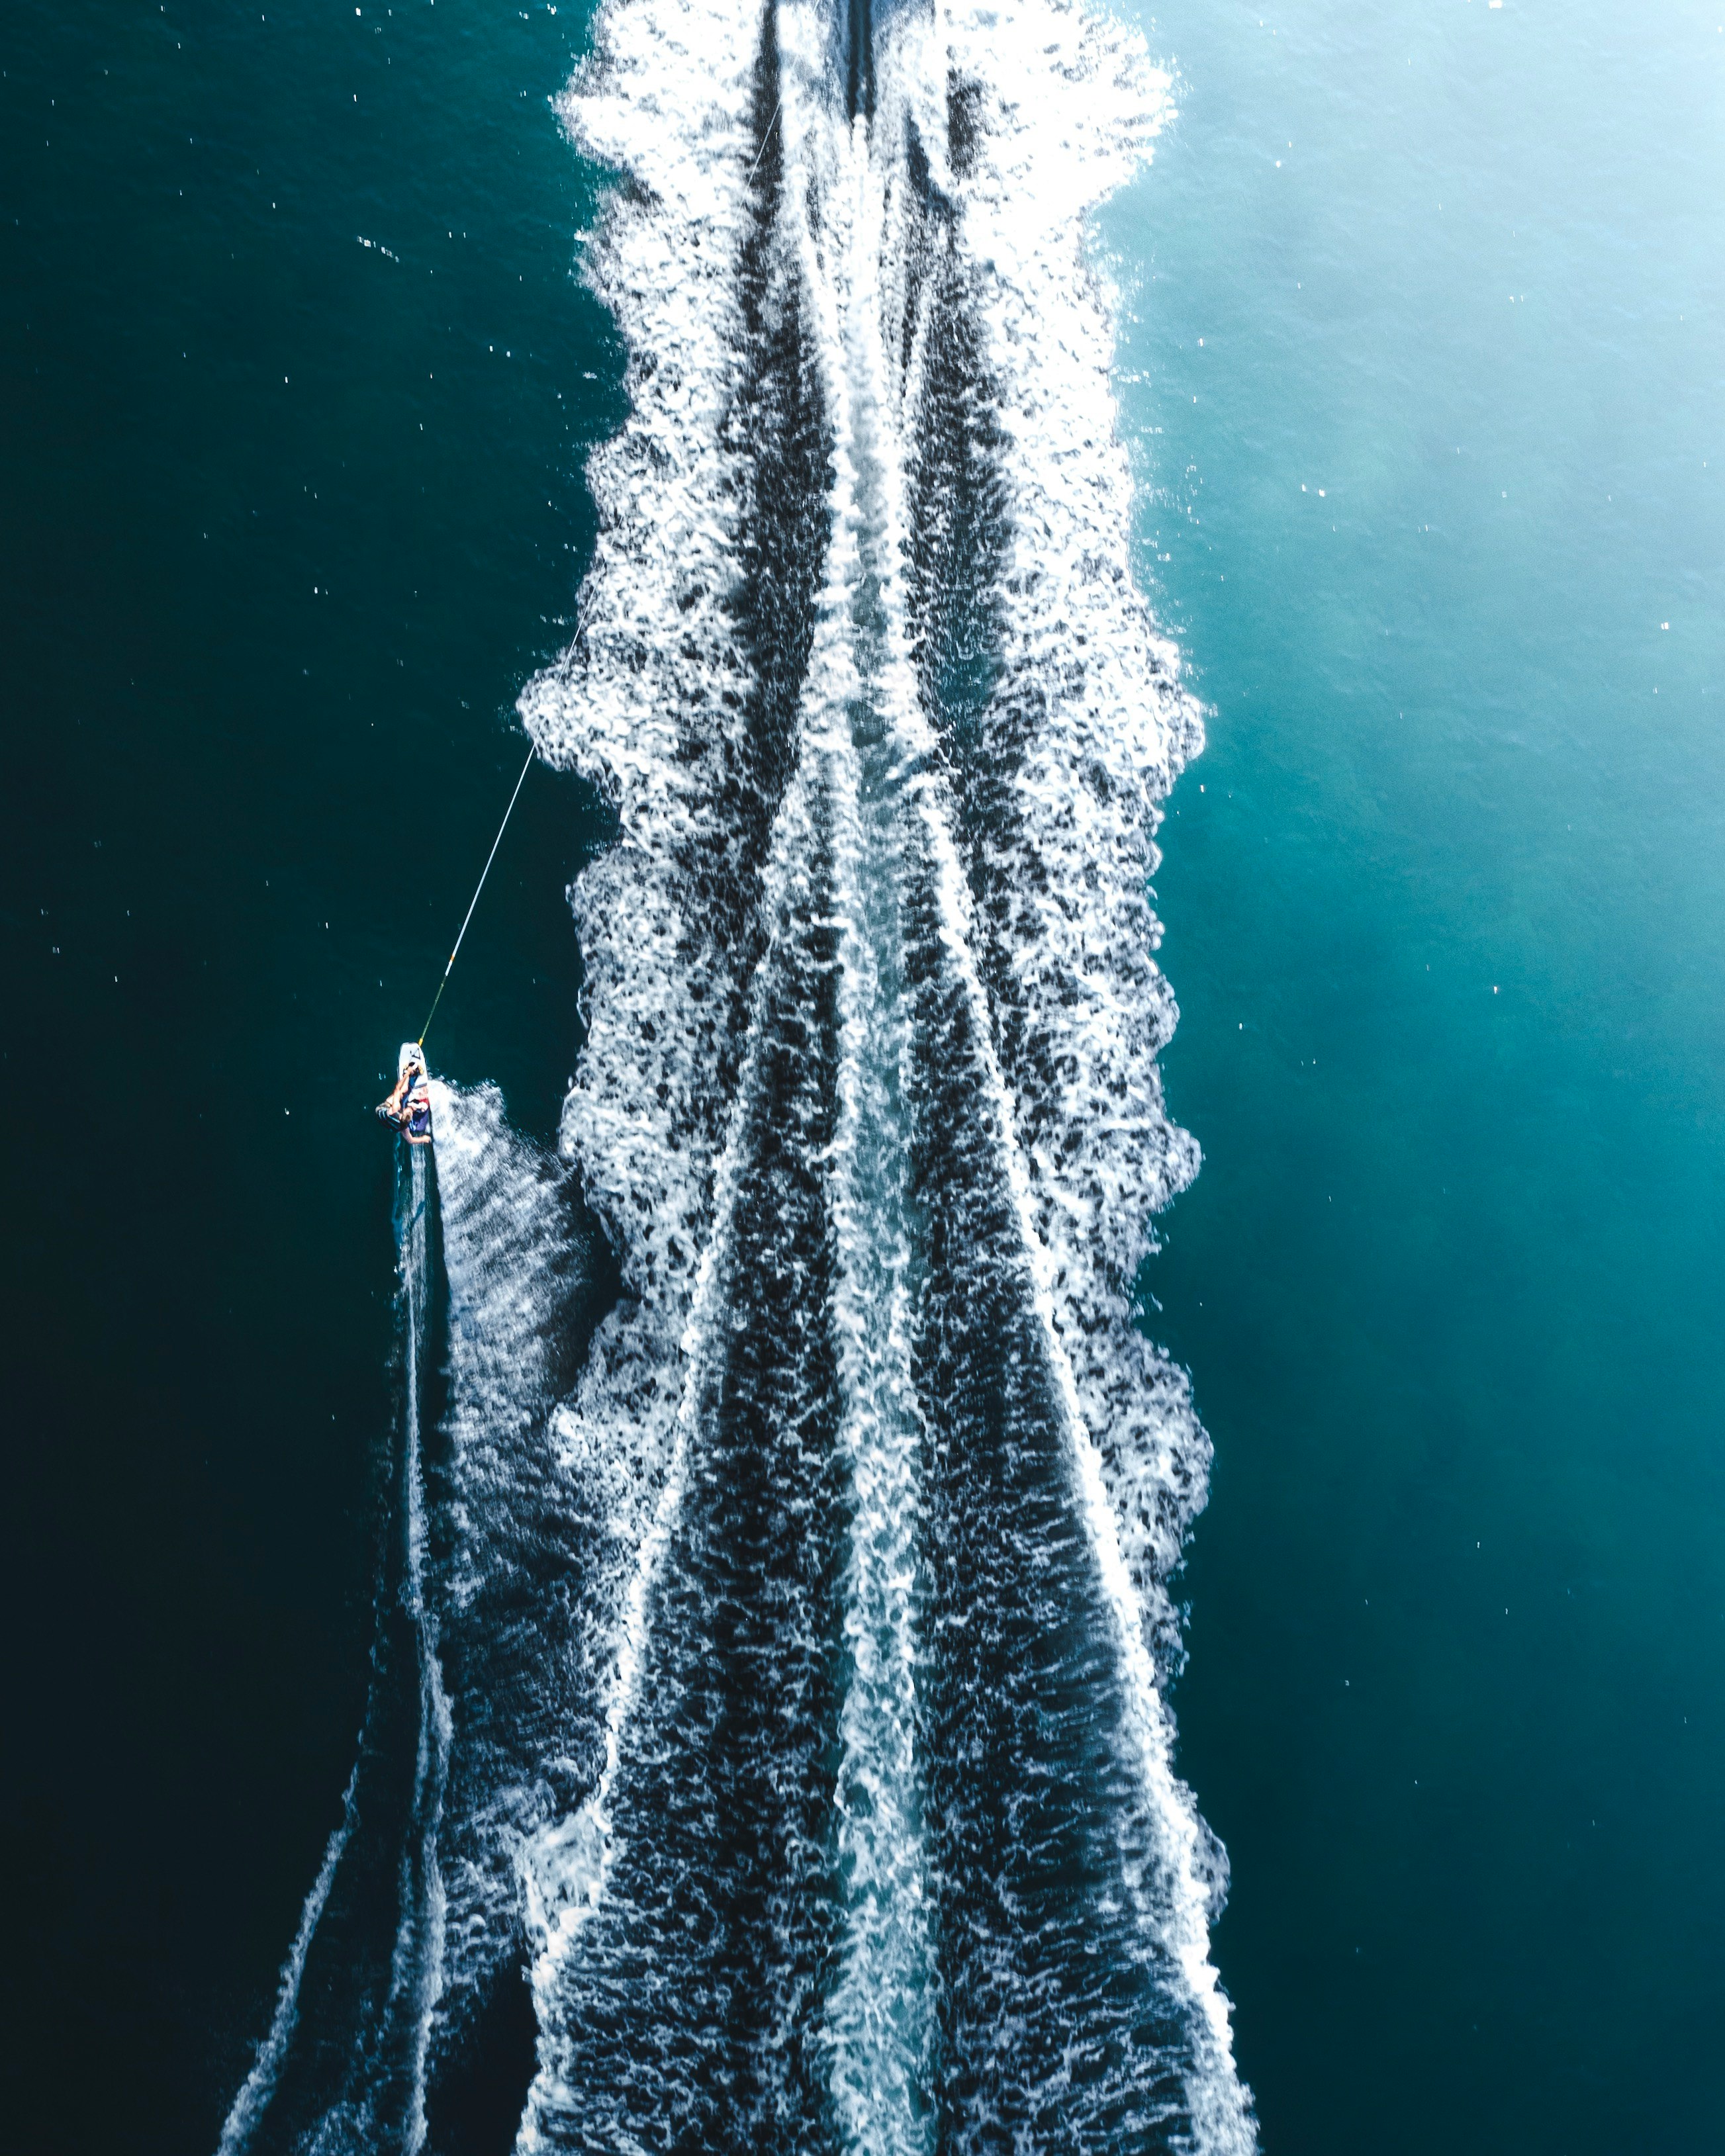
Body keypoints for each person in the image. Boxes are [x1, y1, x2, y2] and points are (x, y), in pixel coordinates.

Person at [377, 1045, 433, 1145]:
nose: (411, 1112)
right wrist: (424, 1139)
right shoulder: (404, 1128)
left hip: (381, 1110)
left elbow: (397, 1089)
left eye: (409, 1112)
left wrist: (407, 1074)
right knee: (404, 1090)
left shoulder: (395, 1109)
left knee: (403, 1090)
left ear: (401, 1115)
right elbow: (411, 1140)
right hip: (388, 1123)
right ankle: (409, 1074)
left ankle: (408, 1072)